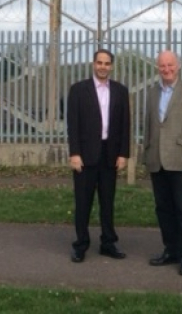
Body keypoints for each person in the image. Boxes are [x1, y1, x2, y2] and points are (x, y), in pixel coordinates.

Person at [143, 49, 182, 276]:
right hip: (157, 160)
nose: (166, 69)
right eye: (162, 66)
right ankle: (171, 250)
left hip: (181, 160)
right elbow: (149, 125)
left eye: (170, 65)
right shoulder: (152, 93)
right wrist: (147, 154)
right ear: (157, 68)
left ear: (177, 66)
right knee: (163, 209)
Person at [67, 48, 131, 263]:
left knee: (107, 202)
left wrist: (123, 154)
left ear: (111, 66)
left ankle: (108, 243)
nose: (103, 67)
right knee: (83, 202)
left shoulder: (120, 91)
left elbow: (125, 124)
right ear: (93, 64)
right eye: (99, 63)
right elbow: (73, 125)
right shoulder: (78, 90)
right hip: (85, 155)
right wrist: (74, 153)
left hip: (110, 154)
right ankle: (81, 244)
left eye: (107, 63)